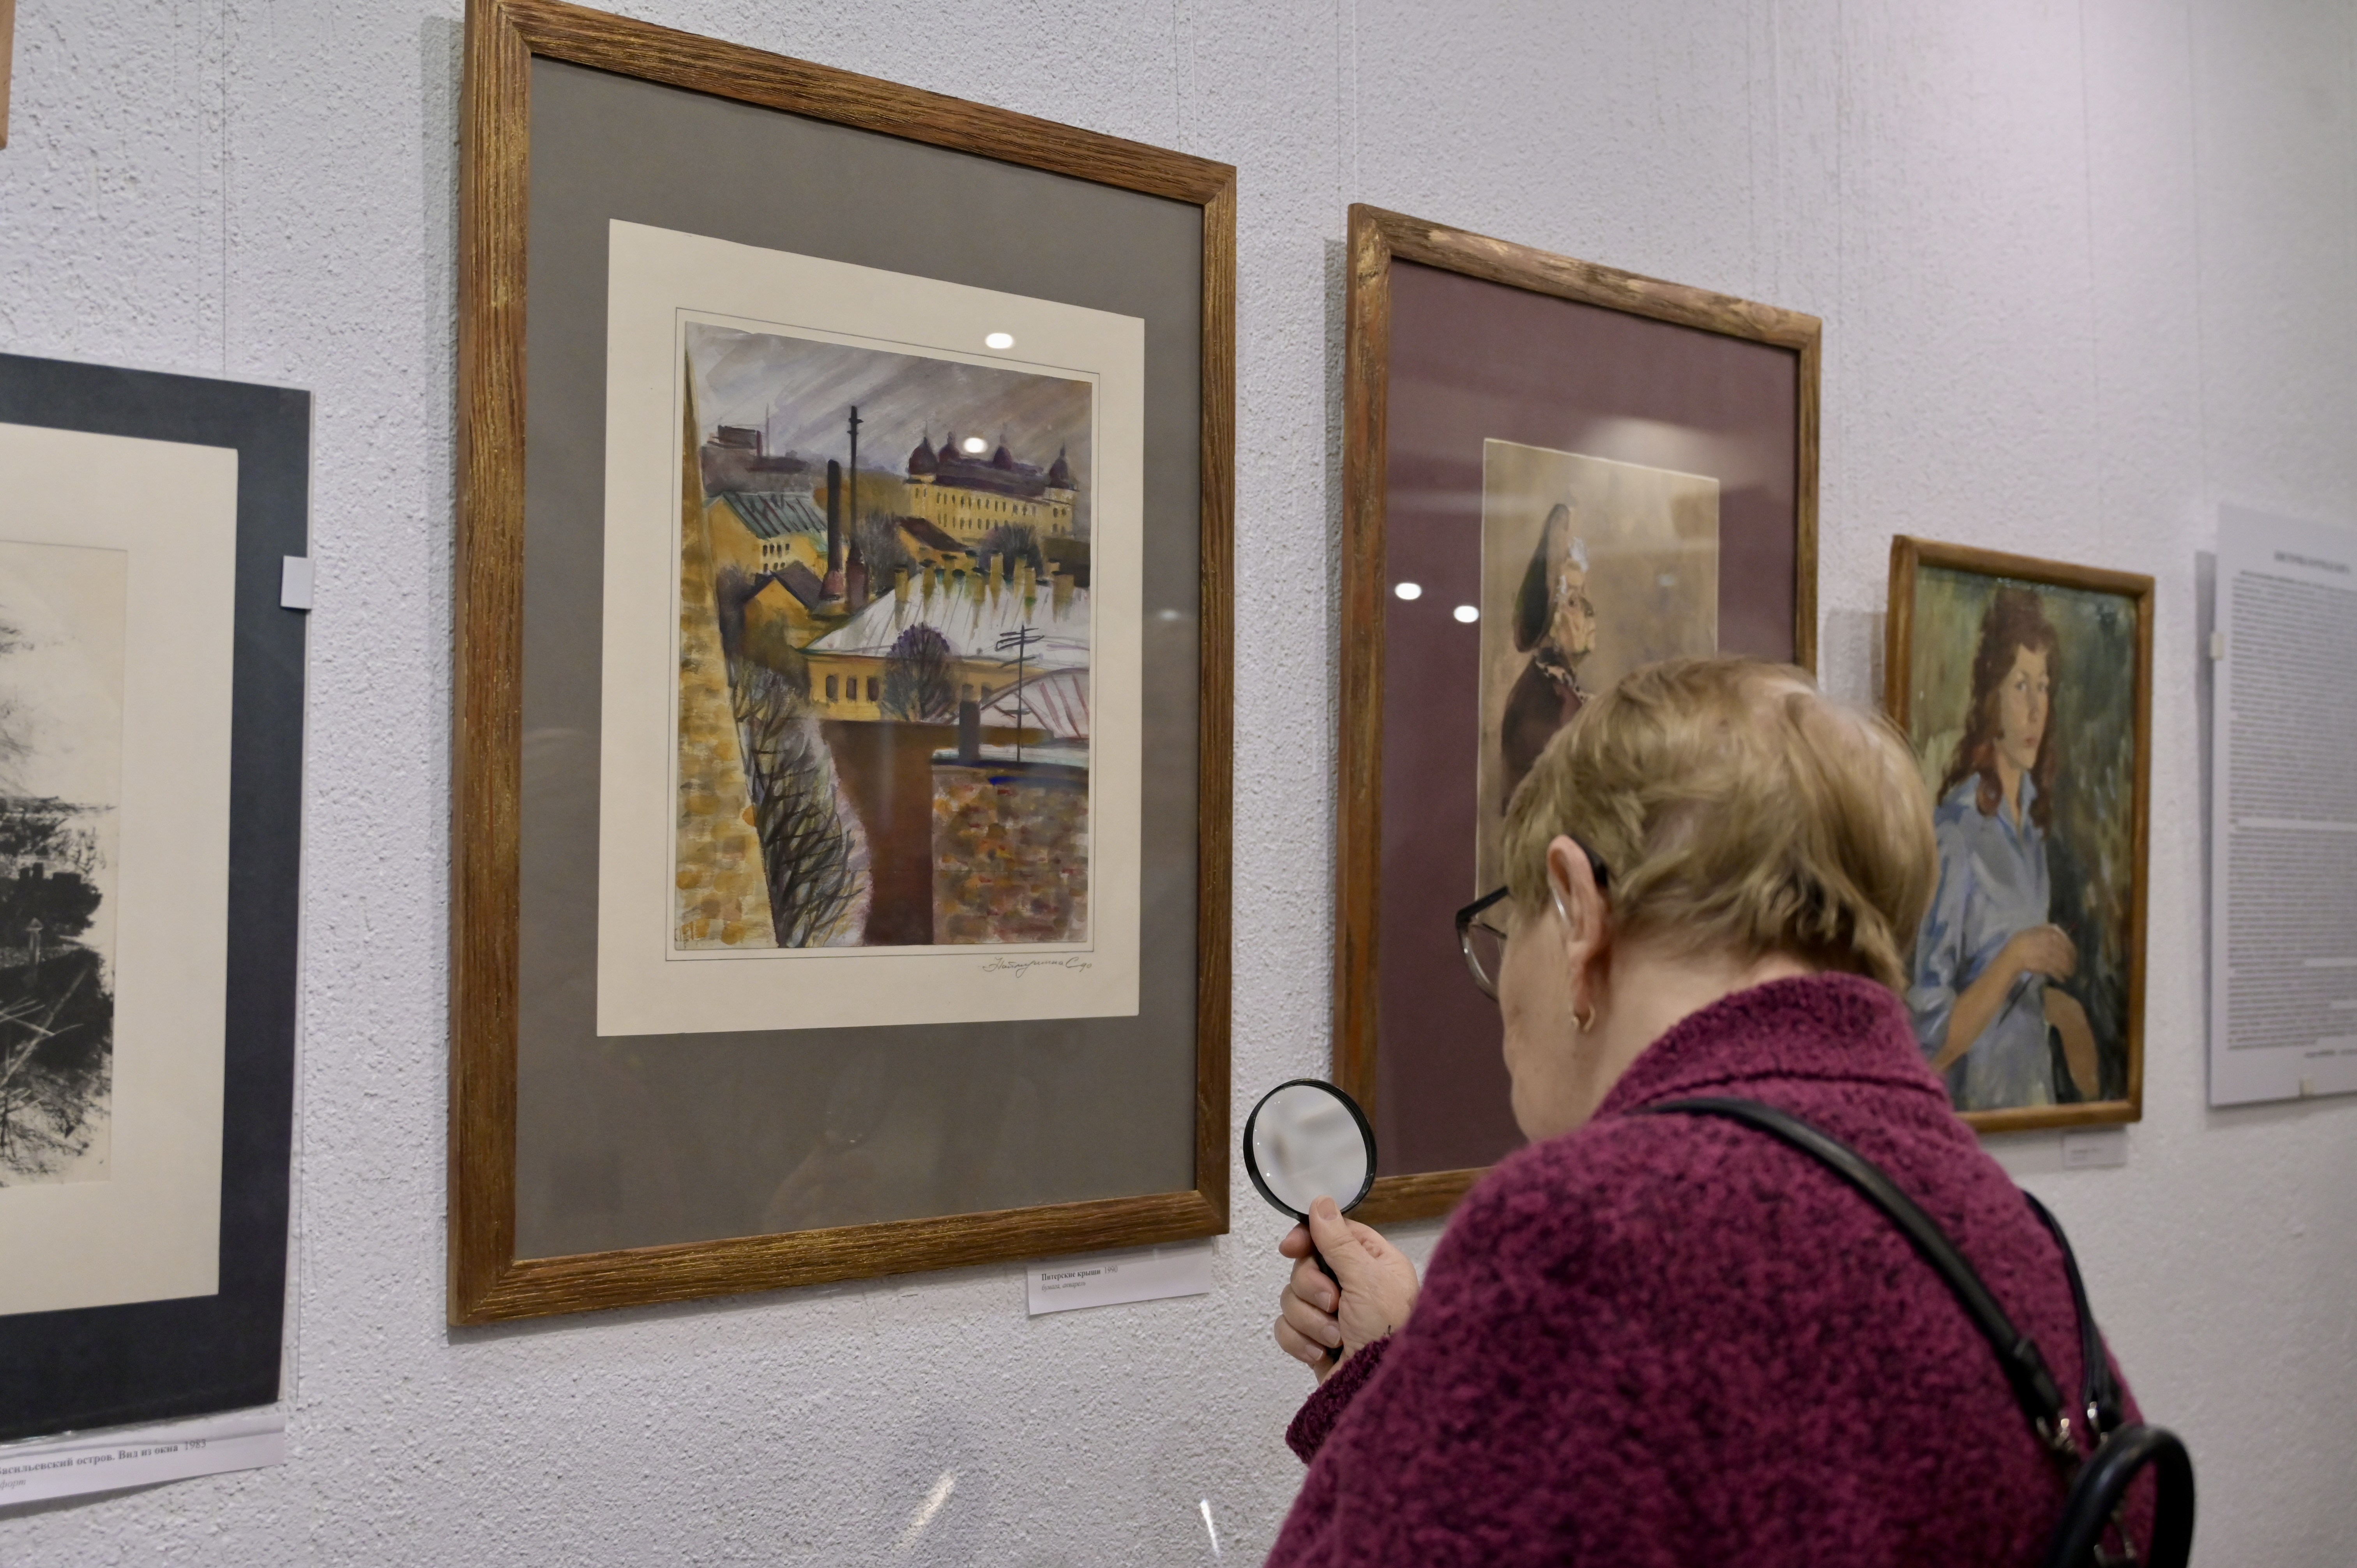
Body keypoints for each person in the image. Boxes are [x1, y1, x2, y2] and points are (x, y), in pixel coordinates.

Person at [1265, 657, 2145, 1567]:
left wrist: (1396, 1395)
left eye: (1510, 918)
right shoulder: (2005, 1229)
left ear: (1578, 908)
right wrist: (1425, 1376)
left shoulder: (1583, 1228)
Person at [1908, 587, 2098, 1111]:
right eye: (2020, 686)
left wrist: (2059, 1011)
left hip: (2032, 1108)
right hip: (1976, 1118)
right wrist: (2017, 956)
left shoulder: (2033, 823)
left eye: (2044, 687)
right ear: (1992, 698)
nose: (2036, 709)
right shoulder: (1956, 834)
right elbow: (1927, 1046)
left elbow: (2011, 1001)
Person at [1497, 503, 1596, 807]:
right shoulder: (1543, 704)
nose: (1590, 615)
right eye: (1575, 602)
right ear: (1552, 621)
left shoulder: (1561, 689)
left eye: (1586, 600)